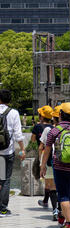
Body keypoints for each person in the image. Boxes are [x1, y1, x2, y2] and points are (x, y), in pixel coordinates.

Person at [0, 89, 26, 217]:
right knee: (5, 180)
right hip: (6, 152)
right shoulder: (14, 113)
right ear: (9, 100)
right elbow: (18, 135)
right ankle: (3, 209)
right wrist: (22, 149)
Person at [37, 106, 59, 221]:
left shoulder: (49, 130)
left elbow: (42, 147)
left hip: (51, 162)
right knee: (63, 188)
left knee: (52, 187)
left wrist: (42, 163)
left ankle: (55, 210)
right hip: (68, 164)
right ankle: (63, 210)